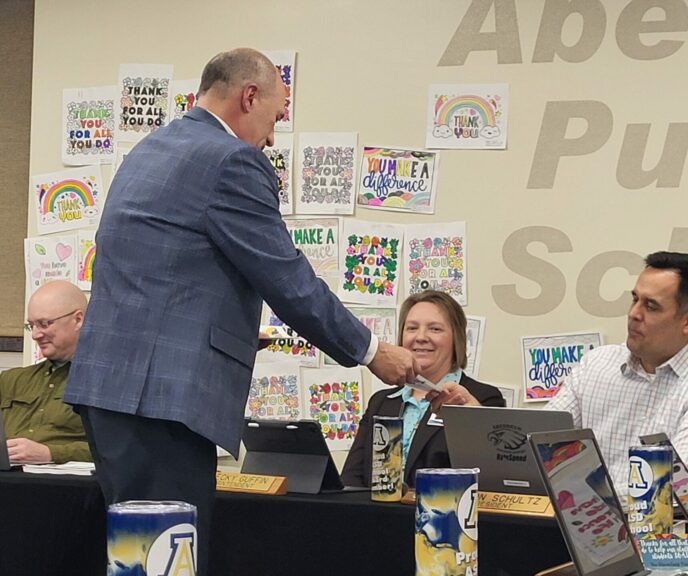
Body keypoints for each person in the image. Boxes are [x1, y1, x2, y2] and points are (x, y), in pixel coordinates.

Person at [63, 48, 418, 576]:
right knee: (170, 557)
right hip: (162, 398)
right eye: (275, 117)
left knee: (136, 556)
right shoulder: (231, 160)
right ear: (248, 96)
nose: (272, 137)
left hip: (112, 390)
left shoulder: (151, 149)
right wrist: (371, 351)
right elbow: (287, 278)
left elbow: (160, 274)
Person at [547, 251, 688, 500]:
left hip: (672, 531)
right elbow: (541, 443)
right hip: (584, 523)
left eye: (651, 306)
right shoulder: (596, 363)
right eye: (635, 299)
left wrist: (579, 500)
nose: (633, 314)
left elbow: (668, 490)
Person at [342, 290, 504, 488]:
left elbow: (488, 477)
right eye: (411, 328)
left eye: (435, 329)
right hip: (378, 518)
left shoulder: (483, 398)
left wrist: (469, 415)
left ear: (457, 338)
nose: (420, 337)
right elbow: (351, 480)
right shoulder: (382, 402)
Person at [1, 280, 90, 464]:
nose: (35, 334)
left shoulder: (106, 383)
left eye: (44, 324)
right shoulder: (12, 380)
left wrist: (51, 453)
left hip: (67, 488)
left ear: (78, 319)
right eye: (31, 325)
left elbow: (124, 451)